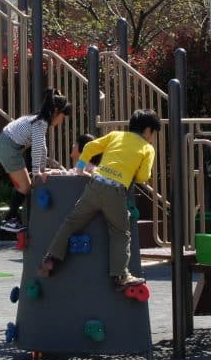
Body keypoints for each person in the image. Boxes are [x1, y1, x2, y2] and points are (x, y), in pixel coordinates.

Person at [38, 110, 161, 290]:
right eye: (153, 133)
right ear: (148, 130)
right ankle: (120, 275)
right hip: (116, 191)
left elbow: (88, 148)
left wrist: (80, 169)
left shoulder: (115, 135)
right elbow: (142, 177)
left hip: (94, 186)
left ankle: (51, 256)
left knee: (71, 222)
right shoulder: (147, 148)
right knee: (120, 232)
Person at [0, 88, 71, 233]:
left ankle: (12, 218)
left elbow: (42, 148)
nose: (62, 121)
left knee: (25, 186)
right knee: (25, 187)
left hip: (7, 145)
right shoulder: (40, 123)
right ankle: (8, 220)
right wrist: (36, 172)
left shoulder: (38, 120)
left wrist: (42, 169)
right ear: (55, 112)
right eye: (62, 116)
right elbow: (36, 149)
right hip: (9, 148)